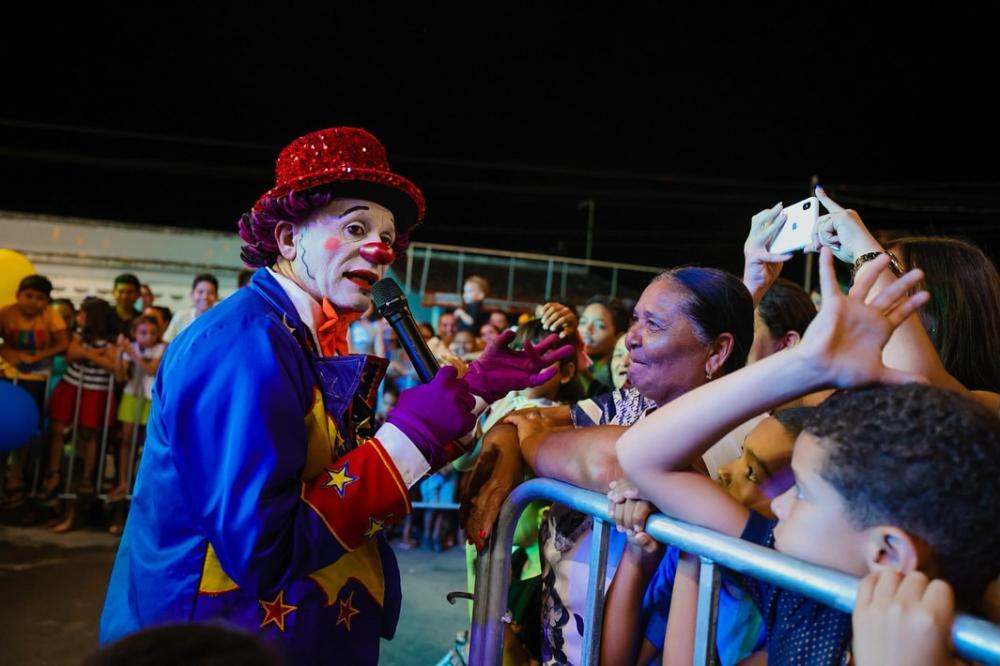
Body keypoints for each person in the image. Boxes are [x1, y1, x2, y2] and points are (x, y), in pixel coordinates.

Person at [98, 126, 569, 665]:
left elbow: (336, 475)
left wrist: (472, 393)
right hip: (214, 640)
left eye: (388, 237)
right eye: (354, 227)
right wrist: (414, 433)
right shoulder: (245, 344)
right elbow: (262, 549)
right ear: (287, 239)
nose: (379, 248)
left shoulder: (302, 334)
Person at [612, 249, 1000, 663]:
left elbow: (641, 457)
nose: (779, 503)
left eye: (803, 494)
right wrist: (808, 365)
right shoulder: (806, 596)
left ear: (887, 553)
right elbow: (641, 455)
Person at [0, 274, 69, 505]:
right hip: (7, 376)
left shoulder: (51, 316)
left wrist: (39, 356)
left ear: (46, 301)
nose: (33, 302)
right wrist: (10, 354)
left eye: (40, 298)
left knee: (27, 429)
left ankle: (17, 477)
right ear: (18, 295)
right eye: (28, 296)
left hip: (38, 379)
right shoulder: (5, 313)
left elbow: (63, 343)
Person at [44, 297, 119, 507]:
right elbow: (71, 355)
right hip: (71, 385)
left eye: (82, 313)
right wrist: (95, 354)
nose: (78, 317)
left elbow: (114, 366)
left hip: (96, 390)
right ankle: (54, 473)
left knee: (89, 434)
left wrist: (87, 354)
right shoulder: (79, 336)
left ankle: (86, 479)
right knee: (58, 428)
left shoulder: (111, 341)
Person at [106, 315, 166, 507]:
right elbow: (121, 376)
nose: (148, 337)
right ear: (134, 333)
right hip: (131, 395)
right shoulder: (130, 349)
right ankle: (123, 481)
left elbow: (151, 370)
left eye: (152, 333)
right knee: (126, 441)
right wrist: (119, 355)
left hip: (149, 397)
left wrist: (131, 353)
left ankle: (142, 483)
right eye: (143, 332)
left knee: (147, 442)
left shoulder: (160, 348)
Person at [578, 295, 630, 397]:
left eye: (600, 326)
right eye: (583, 322)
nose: (587, 329)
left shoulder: (618, 377)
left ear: (618, 337)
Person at [162, 273, 219, 343]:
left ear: (216, 296)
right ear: (192, 294)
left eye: (210, 293)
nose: (205, 297)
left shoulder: (219, 320)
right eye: (200, 292)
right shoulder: (180, 317)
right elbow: (167, 342)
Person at [111, 274, 141, 338]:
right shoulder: (103, 317)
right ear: (113, 292)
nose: (125, 297)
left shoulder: (141, 320)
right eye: (121, 292)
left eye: (129, 292)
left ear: (138, 294)